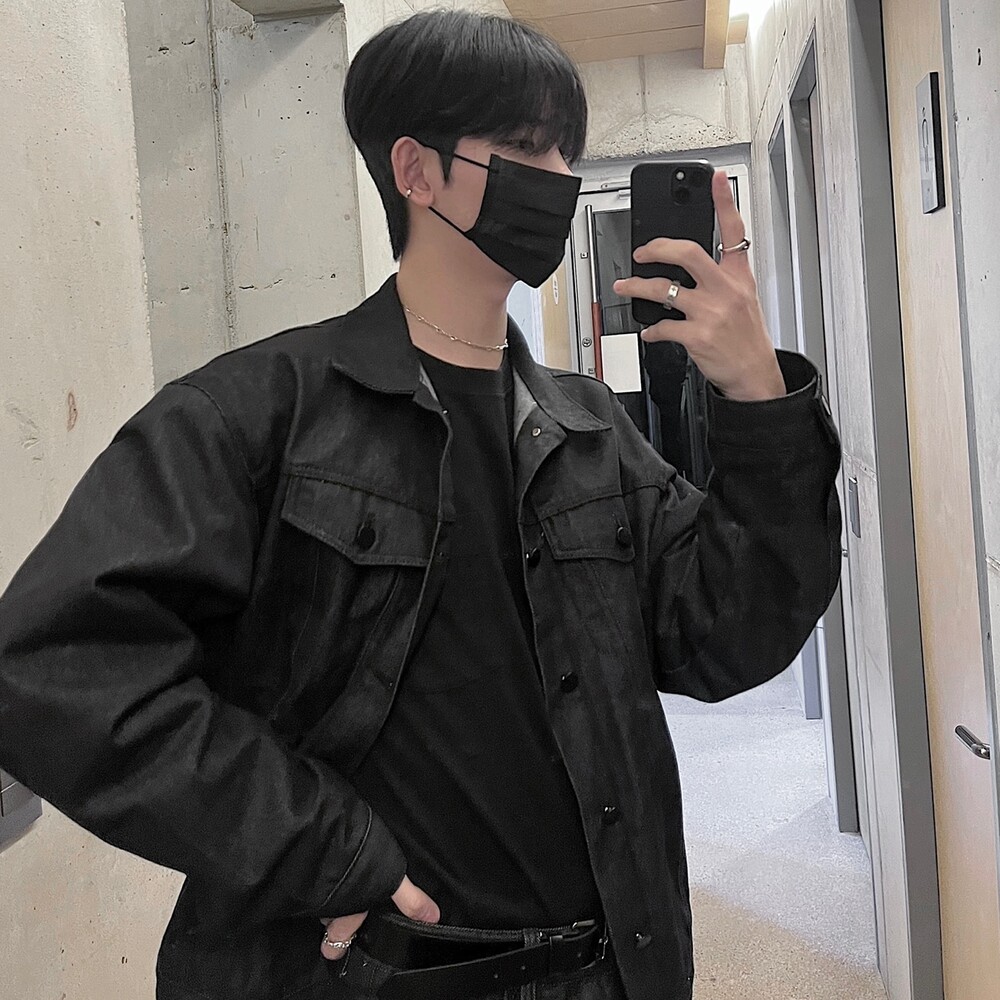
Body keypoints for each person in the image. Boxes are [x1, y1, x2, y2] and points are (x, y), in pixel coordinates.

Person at [0, 10, 842, 1000]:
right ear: (415, 170)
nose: (559, 179)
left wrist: (756, 397)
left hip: (607, 967)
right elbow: (54, 669)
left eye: (566, 152)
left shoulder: (588, 428)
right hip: (363, 976)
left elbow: (728, 638)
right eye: (524, 148)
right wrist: (316, 846)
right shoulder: (254, 415)